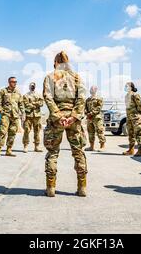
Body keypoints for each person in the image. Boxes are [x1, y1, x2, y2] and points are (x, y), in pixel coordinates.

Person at [43, 51, 87, 197]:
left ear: (55, 62)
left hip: (57, 120)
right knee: (78, 152)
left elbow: (48, 98)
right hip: (73, 120)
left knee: (53, 152)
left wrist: (58, 116)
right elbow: (81, 98)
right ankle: (82, 188)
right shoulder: (76, 77)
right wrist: (74, 117)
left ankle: (51, 188)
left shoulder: (50, 77)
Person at [0, 77, 24, 158]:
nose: (14, 83)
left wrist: (23, 113)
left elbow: (21, 104)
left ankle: (9, 150)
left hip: (15, 116)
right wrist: (1, 111)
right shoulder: (3, 91)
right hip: (6, 115)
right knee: (3, 132)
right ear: (9, 82)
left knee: (12, 133)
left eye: (15, 82)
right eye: (13, 82)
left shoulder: (18, 93)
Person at [122, 82, 141, 157]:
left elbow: (140, 106)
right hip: (129, 118)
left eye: (127, 86)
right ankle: (131, 150)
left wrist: (138, 114)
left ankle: (140, 150)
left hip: (136, 117)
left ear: (131, 87)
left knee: (138, 133)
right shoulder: (126, 96)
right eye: (125, 86)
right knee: (130, 134)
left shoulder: (135, 95)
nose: (125, 87)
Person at [22, 82, 44, 153]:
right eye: (31, 86)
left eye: (33, 86)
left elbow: (41, 103)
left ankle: (36, 146)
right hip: (28, 115)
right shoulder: (25, 95)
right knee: (26, 131)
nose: (32, 87)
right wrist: (35, 104)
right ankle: (25, 146)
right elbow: (26, 104)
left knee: (37, 131)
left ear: (35, 86)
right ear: (29, 87)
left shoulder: (38, 95)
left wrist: (32, 103)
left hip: (37, 116)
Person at [85, 86, 106, 152]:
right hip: (89, 118)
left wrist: (91, 113)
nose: (91, 90)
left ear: (96, 90)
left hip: (97, 118)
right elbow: (85, 108)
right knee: (90, 132)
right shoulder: (88, 99)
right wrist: (86, 113)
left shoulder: (99, 98)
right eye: (90, 89)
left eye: (92, 89)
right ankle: (91, 146)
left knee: (99, 131)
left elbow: (99, 108)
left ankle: (102, 146)